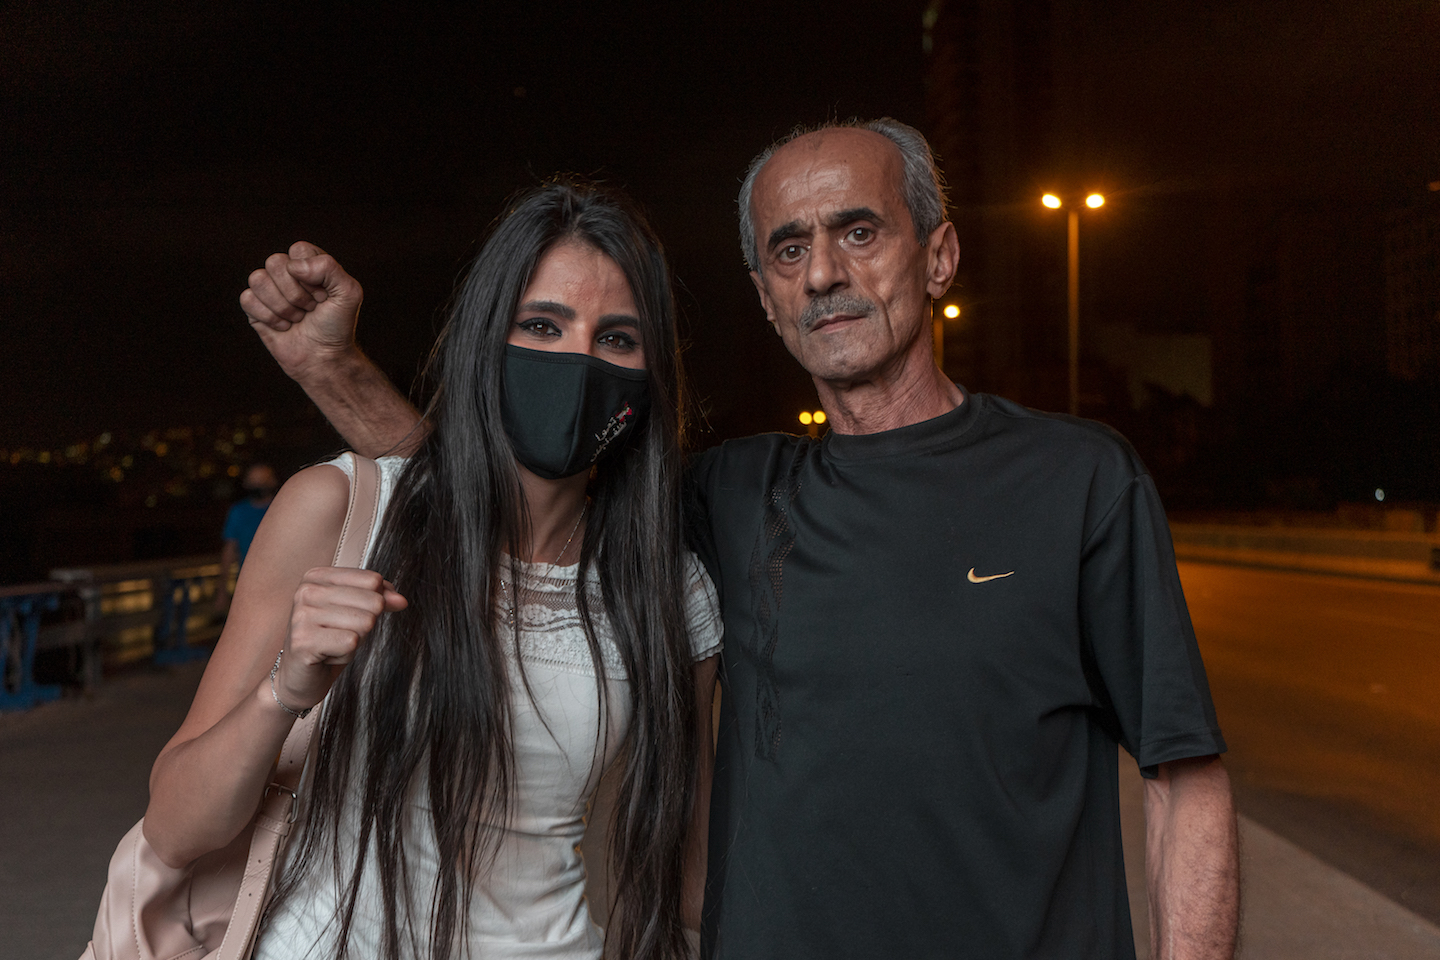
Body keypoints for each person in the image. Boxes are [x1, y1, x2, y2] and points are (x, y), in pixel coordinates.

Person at [242, 120, 1239, 960]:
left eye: (860, 231)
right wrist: (335, 375)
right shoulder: (727, 495)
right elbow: (499, 509)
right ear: (765, 295)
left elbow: (1183, 777)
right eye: (790, 249)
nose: (826, 274)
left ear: (937, 255)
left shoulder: (1078, 479)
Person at [147, 180, 723, 960]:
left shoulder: (668, 590)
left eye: (616, 338)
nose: (577, 359)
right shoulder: (338, 507)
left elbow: (682, 866)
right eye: (543, 325)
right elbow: (177, 828)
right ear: (487, 337)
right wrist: (287, 687)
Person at [215, 462, 279, 614]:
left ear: (272, 482)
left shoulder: (282, 508)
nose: (258, 486)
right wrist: (222, 590)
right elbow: (229, 550)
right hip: (247, 585)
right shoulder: (238, 511)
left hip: (281, 584)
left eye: (262, 481)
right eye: (254, 482)